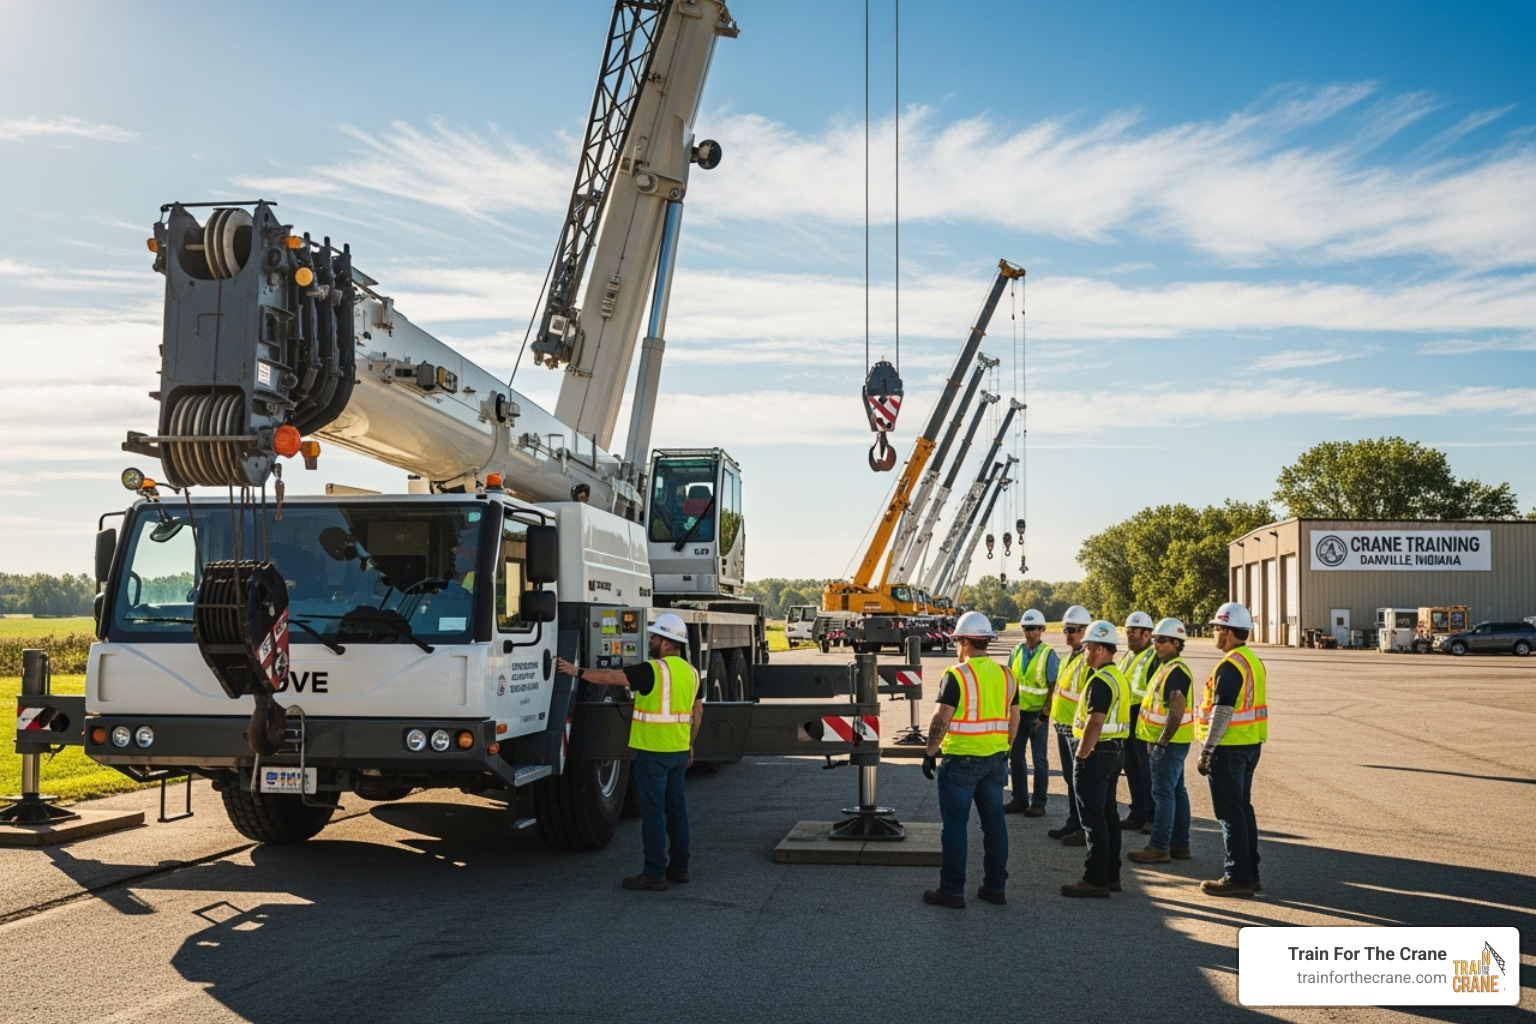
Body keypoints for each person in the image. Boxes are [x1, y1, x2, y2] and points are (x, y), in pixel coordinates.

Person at [555, 612, 702, 892]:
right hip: (678, 752)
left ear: (668, 643)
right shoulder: (691, 672)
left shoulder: (653, 670)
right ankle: (680, 869)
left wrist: (577, 672)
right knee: (677, 811)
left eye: (656, 637)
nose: (651, 641)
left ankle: (654, 873)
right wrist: (690, 743)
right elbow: (698, 711)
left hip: (653, 753)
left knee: (653, 813)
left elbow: (612, 676)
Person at [921, 610, 1021, 909]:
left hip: (961, 762)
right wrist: (1005, 748)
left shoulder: (956, 675)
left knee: (954, 825)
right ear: (986, 641)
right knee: (994, 824)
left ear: (964, 641)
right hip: (995, 760)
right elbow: (1014, 719)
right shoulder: (1007, 675)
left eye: (957, 641)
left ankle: (951, 891)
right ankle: (995, 887)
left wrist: (929, 753)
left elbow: (942, 719)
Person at [1194, 602, 1268, 898]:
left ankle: (1237, 876)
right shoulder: (1251, 660)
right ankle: (1251, 873)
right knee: (1242, 809)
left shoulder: (1230, 665)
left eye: (1216, 628)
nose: (1214, 633)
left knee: (1229, 813)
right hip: (1249, 744)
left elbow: (1222, 711)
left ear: (1227, 631)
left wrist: (1207, 750)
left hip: (1229, 748)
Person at [1061, 619, 1134, 897]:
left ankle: (1095, 878)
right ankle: (1111, 874)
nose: (1085, 652)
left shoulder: (1101, 680)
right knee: (1108, 815)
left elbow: (1095, 721)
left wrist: (1081, 755)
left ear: (1101, 649)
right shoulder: (1118, 677)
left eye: (1089, 647)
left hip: (1097, 752)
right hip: (1115, 752)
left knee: (1092, 818)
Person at [1128, 618, 1194, 864]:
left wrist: (1161, 742)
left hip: (1168, 744)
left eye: (1162, 640)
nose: (1157, 645)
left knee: (1163, 794)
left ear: (1176, 643)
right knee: (1176, 792)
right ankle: (1179, 844)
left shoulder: (1176, 671)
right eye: (1156, 640)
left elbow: (1176, 710)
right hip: (1171, 742)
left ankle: (1159, 846)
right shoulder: (1166, 667)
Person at [1047, 604, 1094, 846]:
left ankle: (1083, 828)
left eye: (1073, 629)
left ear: (1085, 631)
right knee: (1069, 778)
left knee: (1080, 781)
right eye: (1066, 629)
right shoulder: (1069, 658)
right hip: (1063, 727)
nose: (1068, 634)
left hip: (1077, 730)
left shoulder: (1088, 660)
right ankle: (1073, 821)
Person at [1004, 608, 1057, 816]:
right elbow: (1010, 682)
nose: (1029, 632)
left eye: (1033, 628)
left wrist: (1044, 716)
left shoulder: (1048, 654)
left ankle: (1038, 803)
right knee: (1016, 757)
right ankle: (1019, 798)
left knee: (1039, 760)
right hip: (1018, 714)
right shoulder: (1016, 651)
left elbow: (1053, 687)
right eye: (1026, 628)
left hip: (1037, 716)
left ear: (1041, 629)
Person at [1117, 611, 1158, 831]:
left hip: (1143, 718)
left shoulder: (1153, 657)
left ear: (1147, 634)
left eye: (1133, 632)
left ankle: (1151, 817)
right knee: (1131, 768)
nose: (1129, 636)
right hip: (1127, 718)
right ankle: (1137, 813)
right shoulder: (1127, 656)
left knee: (1146, 771)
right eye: (1128, 632)